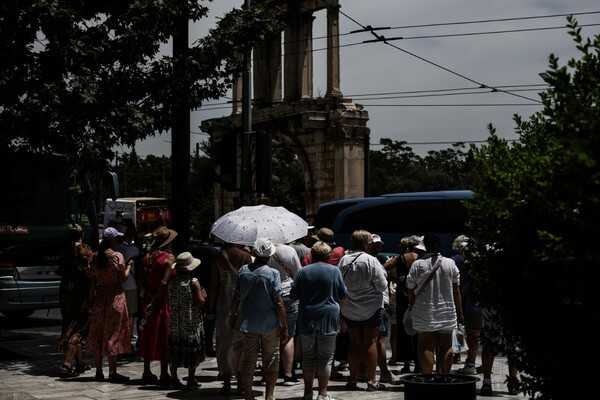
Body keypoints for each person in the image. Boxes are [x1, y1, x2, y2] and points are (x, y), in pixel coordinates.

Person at [230, 238, 288, 400]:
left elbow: (236, 297)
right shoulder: (272, 273)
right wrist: (284, 325)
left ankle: (248, 395)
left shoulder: (243, 271)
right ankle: (269, 396)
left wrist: (232, 316)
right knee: (271, 359)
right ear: (269, 256)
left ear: (254, 253)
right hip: (269, 323)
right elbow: (279, 302)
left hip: (248, 323)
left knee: (249, 358)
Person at [291, 241, 347, 400]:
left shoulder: (303, 272)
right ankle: (322, 394)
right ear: (328, 255)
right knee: (325, 357)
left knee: (308, 356)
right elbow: (343, 295)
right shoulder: (335, 271)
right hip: (329, 317)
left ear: (312, 255)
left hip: (307, 316)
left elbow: (293, 295)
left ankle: (307, 393)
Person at [406, 233, 463, 374]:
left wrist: (410, 303)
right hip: (447, 310)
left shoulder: (417, 265)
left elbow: (410, 289)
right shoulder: (450, 263)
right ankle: (444, 377)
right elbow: (456, 291)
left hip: (424, 310)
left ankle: (427, 378)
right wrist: (460, 313)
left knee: (426, 345)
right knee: (446, 345)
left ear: (425, 246)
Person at [338, 230, 388, 391]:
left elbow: (339, 285)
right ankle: (372, 380)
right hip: (371, 308)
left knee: (353, 343)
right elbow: (381, 285)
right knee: (370, 342)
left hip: (349, 308)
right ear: (366, 244)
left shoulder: (343, 260)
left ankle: (352, 380)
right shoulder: (371, 261)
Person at [87, 227, 132, 383]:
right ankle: (113, 372)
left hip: (100, 298)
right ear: (112, 240)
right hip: (115, 297)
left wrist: (90, 300)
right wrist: (128, 268)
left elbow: (93, 282)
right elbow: (122, 279)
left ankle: (98, 371)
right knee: (114, 334)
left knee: (98, 334)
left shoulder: (93, 257)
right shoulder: (117, 257)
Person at [209, 242, 252, 394]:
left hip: (223, 301)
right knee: (241, 340)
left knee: (223, 340)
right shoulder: (246, 256)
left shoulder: (219, 256)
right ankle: (241, 384)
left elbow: (214, 284)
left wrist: (211, 308)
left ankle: (226, 383)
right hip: (241, 301)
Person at [137, 226, 178, 386]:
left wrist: (150, 295)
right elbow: (164, 282)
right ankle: (163, 373)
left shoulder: (146, 257)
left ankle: (146, 370)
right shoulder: (169, 258)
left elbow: (140, 281)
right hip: (162, 303)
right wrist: (156, 300)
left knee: (147, 335)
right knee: (163, 337)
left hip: (147, 300)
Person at [57, 223, 95, 378]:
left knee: (69, 323)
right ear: (81, 234)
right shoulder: (83, 249)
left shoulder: (66, 251)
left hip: (66, 291)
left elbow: (59, 271)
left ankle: (80, 363)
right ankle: (67, 363)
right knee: (78, 328)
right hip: (80, 292)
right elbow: (91, 271)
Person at [167, 252, 207, 390]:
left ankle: (174, 378)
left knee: (174, 348)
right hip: (190, 321)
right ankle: (191, 378)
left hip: (174, 322)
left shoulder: (172, 282)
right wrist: (203, 295)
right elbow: (200, 302)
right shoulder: (193, 281)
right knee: (192, 348)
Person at [382, 235, 422, 373]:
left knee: (404, 330)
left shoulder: (400, 258)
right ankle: (418, 364)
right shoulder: (423, 258)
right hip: (419, 297)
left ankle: (406, 363)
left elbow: (382, 269)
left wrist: (395, 279)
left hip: (403, 297)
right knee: (419, 331)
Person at [267, 242, 302, 385]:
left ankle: (268, 372)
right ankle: (288, 374)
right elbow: (298, 274)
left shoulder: (264, 250)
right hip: (288, 294)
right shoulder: (289, 250)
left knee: (270, 336)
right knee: (288, 336)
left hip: (269, 295)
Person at [367, 234, 399, 385]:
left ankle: (365, 371)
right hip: (377, 306)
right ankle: (383, 372)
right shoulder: (374, 262)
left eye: (379, 245)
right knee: (379, 340)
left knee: (373, 340)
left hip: (375, 306)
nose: (377, 247)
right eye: (374, 244)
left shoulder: (372, 261)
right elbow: (381, 286)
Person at [453, 235, 484, 376]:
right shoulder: (480, 260)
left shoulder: (457, 260)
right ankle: (481, 362)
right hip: (479, 302)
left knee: (463, 330)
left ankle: (462, 358)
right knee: (480, 333)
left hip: (466, 300)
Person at [190, 237, 218, 357]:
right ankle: (208, 345)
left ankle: (198, 343)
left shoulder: (193, 250)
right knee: (210, 317)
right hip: (211, 285)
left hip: (196, 284)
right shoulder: (214, 252)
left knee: (196, 316)